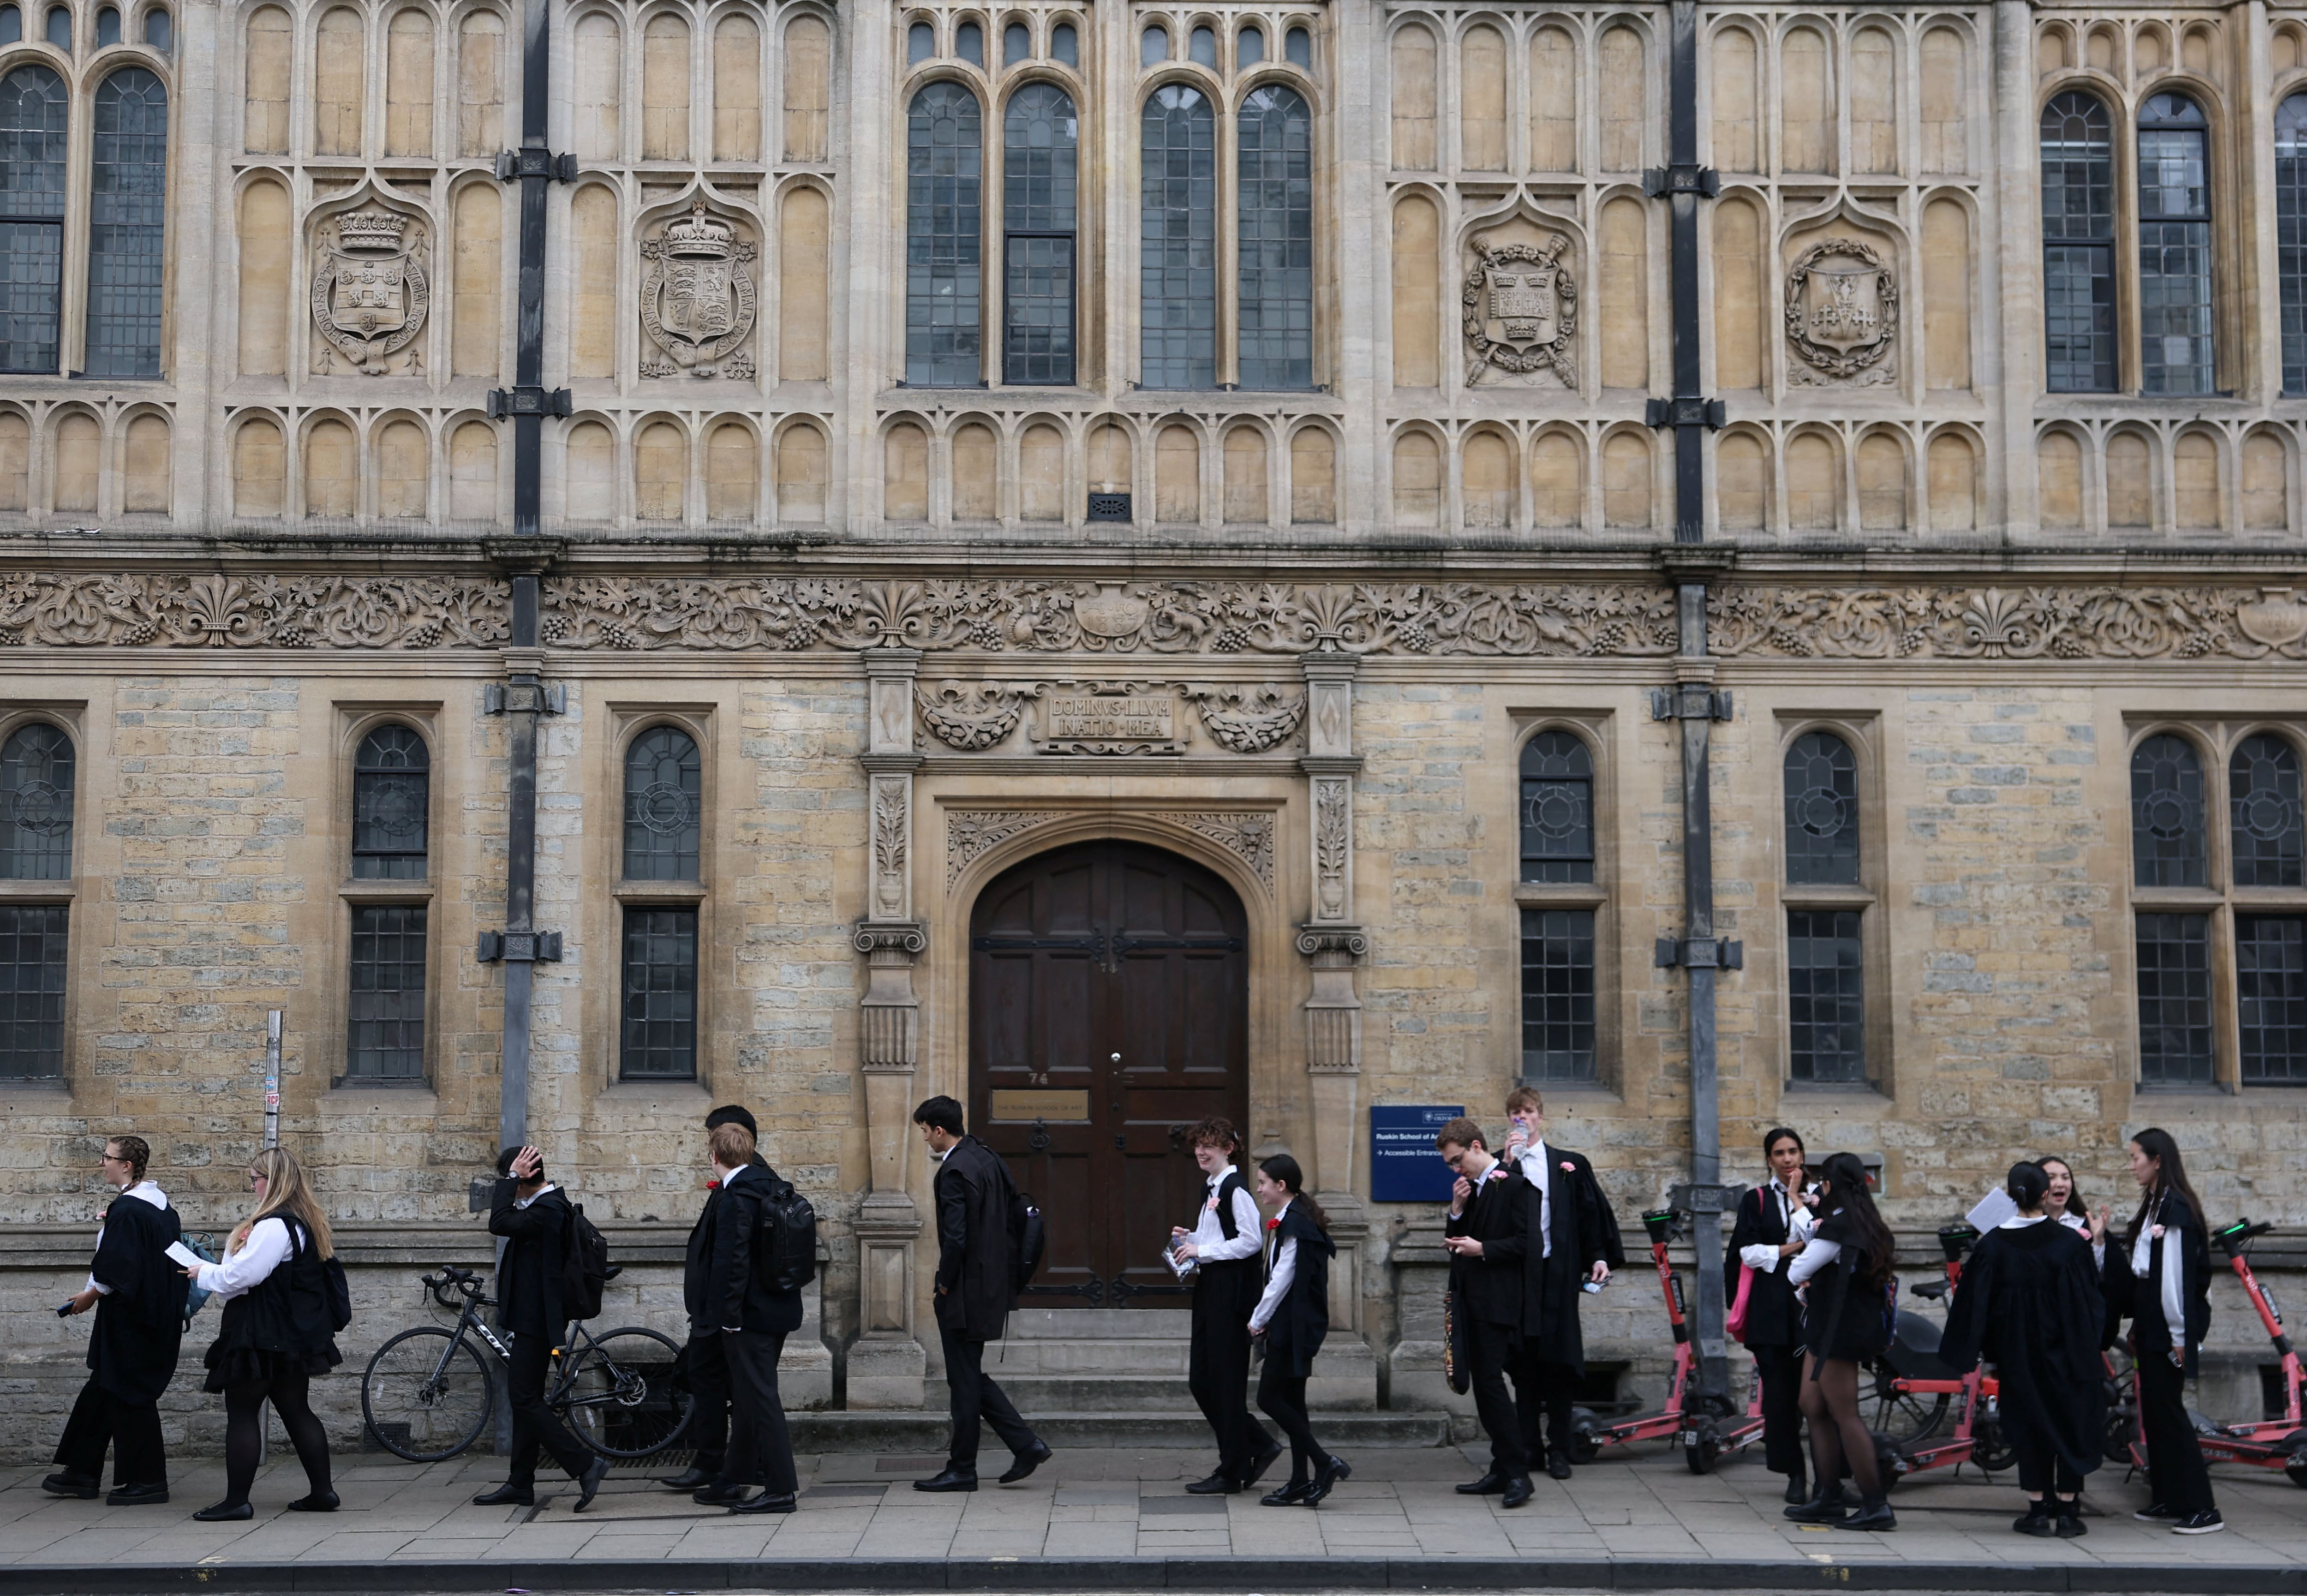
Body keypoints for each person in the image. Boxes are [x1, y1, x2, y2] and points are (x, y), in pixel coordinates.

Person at [1938, 1162, 2106, 1539]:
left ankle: (2036, 1509)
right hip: (2067, 1355)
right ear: (2046, 1194)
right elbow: (2091, 1304)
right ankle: (2067, 1509)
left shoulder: (1993, 1246)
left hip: (2018, 1354)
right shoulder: (2069, 1245)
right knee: (2068, 1420)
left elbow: (1976, 1304)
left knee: (2030, 1423)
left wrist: (1980, 1352)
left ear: (2012, 1195)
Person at [184, 1147, 343, 1521]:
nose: (252, 1185)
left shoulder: (274, 1225)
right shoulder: (304, 1221)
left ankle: (237, 1500)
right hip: (288, 1336)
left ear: (273, 1181)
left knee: (242, 1413)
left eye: (255, 1178)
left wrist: (202, 1272)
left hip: (260, 1333)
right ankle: (323, 1492)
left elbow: (244, 1276)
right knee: (296, 1409)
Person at [912, 1095, 1050, 1492]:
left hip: (966, 1290)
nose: (924, 1139)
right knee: (966, 1374)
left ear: (940, 1130)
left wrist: (943, 1282)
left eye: (924, 1131)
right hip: (990, 1284)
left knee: (964, 1378)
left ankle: (963, 1467)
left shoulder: (954, 1170)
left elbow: (956, 1238)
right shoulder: (986, 1156)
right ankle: (1026, 1445)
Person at [45, 1135, 187, 1506]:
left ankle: (149, 1479)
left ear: (127, 1165)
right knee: (104, 1388)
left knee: (130, 1393)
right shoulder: (161, 1208)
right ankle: (82, 1470)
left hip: (134, 1318)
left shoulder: (128, 1210)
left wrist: (91, 1295)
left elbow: (119, 1266)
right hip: (155, 1312)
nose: (102, 1162)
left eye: (108, 1157)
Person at [2100, 1127, 2222, 1535]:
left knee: (2170, 1412)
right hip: (2152, 1323)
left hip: (2171, 1328)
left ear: (2157, 1160)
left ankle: (2203, 1508)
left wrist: (2180, 1337)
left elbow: (2174, 1280)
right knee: (2154, 1410)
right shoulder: (2155, 1204)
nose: (2131, 1164)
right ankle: (2170, 1496)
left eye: (2136, 1157)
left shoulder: (2175, 1209)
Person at [1499, 1086, 1624, 1480]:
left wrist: (1599, 1258)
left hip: (1557, 1275)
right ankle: (1528, 1445)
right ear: (1509, 1118)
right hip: (1519, 1277)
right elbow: (1493, 1216)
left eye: (1530, 1111)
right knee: (1523, 1364)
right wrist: (1506, 1164)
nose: (1523, 1117)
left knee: (1559, 1363)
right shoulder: (1502, 1167)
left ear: (1540, 1116)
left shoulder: (1569, 1165)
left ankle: (1559, 1447)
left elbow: (1590, 1218)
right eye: (1516, 1112)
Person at [472, 1146, 608, 1510]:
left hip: (536, 1321)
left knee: (525, 1398)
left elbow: (497, 1223)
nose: (508, 1186)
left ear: (523, 1178)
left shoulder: (548, 1211)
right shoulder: (544, 1208)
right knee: (526, 1398)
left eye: (511, 1179)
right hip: (530, 1317)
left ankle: (584, 1463)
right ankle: (521, 1482)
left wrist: (510, 1178)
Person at [660, 1103, 770, 1494]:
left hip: (726, 1311)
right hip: (720, 1308)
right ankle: (741, 1464)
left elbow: (735, 1257)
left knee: (713, 1382)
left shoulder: (743, 1187)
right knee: (726, 1385)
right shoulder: (749, 1181)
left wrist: (725, 1314)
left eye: (713, 1137)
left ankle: (717, 1465)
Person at [1784, 1151, 1897, 1532]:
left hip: (1837, 1330)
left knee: (1845, 1414)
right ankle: (1828, 1495)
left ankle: (1875, 1503)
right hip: (1827, 1328)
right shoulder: (1863, 1221)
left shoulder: (1840, 1226)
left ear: (1830, 1185)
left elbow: (1798, 1268)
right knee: (1812, 1404)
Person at [1171, 1117, 1280, 1495]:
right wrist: (1193, 1238)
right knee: (1202, 1381)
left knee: (1224, 1383)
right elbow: (1224, 1236)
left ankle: (1232, 1470)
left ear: (1228, 1149)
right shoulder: (1213, 1188)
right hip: (1211, 1288)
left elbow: (1251, 1241)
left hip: (1231, 1295)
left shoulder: (1236, 1189)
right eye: (1198, 1145)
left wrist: (1204, 1249)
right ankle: (1259, 1445)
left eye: (1209, 1145)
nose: (1201, 1151)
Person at [698, 1119, 802, 1513]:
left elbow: (732, 1263)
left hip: (749, 1317)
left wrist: (729, 1318)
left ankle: (781, 1489)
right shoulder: (768, 1186)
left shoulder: (734, 1198)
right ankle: (732, 1478)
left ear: (715, 1157)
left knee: (761, 1399)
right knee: (746, 1397)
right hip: (777, 1309)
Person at [1437, 1117, 1534, 1508]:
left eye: (1458, 1159)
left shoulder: (1513, 1184)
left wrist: (1484, 1249)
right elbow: (1459, 1239)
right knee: (1483, 1383)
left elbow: (1527, 1242)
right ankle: (1501, 1467)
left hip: (1498, 1301)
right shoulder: (1473, 1188)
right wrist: (1457, 1210)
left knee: (1492, 1384)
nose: (1456, 1169)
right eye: (1450, 1164)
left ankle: (1518, 1474)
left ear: (1478, 1146)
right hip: (1470, 1299)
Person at [1724, 1126, 1816, 1505]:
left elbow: (1828, 1238)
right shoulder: (1756, 1199)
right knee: (1779, 1397)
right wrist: (1792, 1247)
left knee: (1816, 1395)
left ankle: (1833, 1473)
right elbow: (1748, 1253)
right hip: (1772, 1310)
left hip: (1812, 1308)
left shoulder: (1818, 1196)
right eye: (1779, 1153)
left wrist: (1781, 1246)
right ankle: (1794, 1472)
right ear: (1769, 1159)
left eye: (1793, 1151)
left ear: (1802, 1155)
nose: (1787, 1159)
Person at [1249, 1153, 1345, 1506]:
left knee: (1268, 1398)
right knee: (1294, 1403)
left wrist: (1258, 1318)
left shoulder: (1297, 1224)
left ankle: (1324, 1462)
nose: (1259, 1188)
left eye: (1262, 1182)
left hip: (1292, 1327)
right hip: (1296, 1325)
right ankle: (1300, 1481)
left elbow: (1282, 1279)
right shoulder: (1294, 1219)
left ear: (1281, 1185)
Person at [2038, 1157, 2105, 1269]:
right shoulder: (2026, 1226)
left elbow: (2095, 1274)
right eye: (2051, 1178)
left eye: (2065, 1178)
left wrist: (2098, 1240)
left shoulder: (2086, 1225)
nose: (2060, 1184)